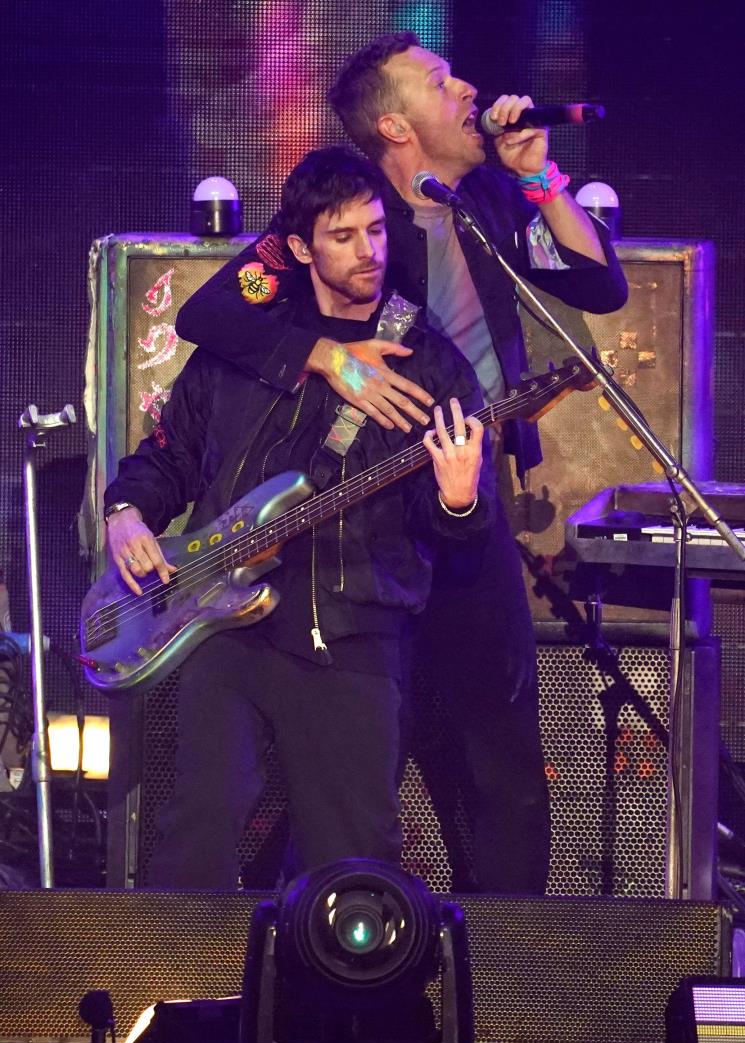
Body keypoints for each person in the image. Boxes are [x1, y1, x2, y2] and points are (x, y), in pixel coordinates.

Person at [173, 32, 629, 894]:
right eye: (439, 79)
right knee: (348, 775)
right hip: (356, 524)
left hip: (461, 503)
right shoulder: (350, 212)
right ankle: (305, 965)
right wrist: (325, 356)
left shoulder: (490, 200)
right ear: (394, 124)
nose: (466, 87)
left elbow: (599, 285)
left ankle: (500, 978)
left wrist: (539, 174)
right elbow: (211, 314)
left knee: (500, 758)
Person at [103, 147, 492, 889]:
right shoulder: (242, 349)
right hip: (225, 631)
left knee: (355, 865)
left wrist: (458, 496)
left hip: (351, 637)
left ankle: (342, 1008)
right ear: (302, 247)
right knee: (195, 841)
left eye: (376, 231)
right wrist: (126, 512)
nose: (367, 251)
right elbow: (167, 454)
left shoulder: (426, 363)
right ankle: (183, 998)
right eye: (343, 236)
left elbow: (459, 539)